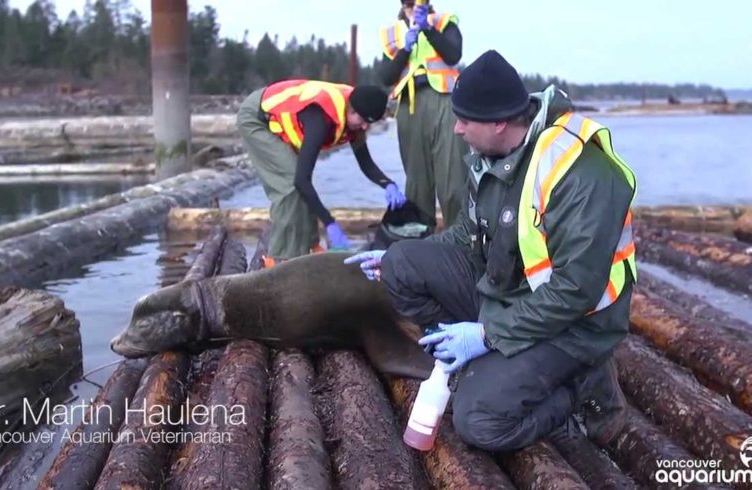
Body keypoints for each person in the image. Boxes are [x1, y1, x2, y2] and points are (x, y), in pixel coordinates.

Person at [345, 50, 638, 451]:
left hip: (575, 324)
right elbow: (469, 232)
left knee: (480, 423)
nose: (457, 130)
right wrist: (403, 253)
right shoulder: (490, 156)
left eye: (465, 121)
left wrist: (486, 334)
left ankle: (583, 387)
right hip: (512, 295)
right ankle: (475, 360)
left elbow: (575, 290)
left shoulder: (580, 173)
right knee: (401, 265)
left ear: (499, 122)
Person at [237, 79, 406, 267]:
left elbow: (366, 163)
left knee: (301, 182)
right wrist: (330, 223)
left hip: (277, 121)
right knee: (289, 185)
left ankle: (310, 246)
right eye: (363, 121)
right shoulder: (320, 119)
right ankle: (277, 258)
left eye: (369, 123)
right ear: (351, 109)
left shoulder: (356, 116)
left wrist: (388, 184)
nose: (365, 127)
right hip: (257, 118)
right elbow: (301, 181)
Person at [379, 0, 468, 227]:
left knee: (453, 179)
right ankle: (420, 243)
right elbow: (386, 76)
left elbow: (453, 55)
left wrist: (427, 29)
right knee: (417, 182)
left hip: (445, 102)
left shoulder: (443, 22)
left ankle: (461, 241)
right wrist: (404, 50)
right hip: (410, 105)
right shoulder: (392, 33)